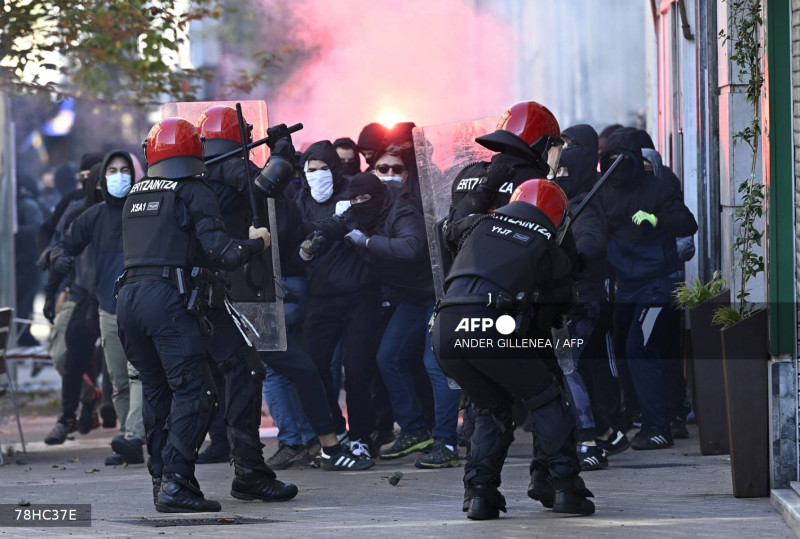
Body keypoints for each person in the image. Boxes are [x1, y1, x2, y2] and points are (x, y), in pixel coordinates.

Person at [116, 117, 296, 513]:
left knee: (158, 389)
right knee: (199, 390)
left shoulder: (136, 193)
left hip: (129, 301)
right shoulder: (193, 190)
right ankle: (181, 482)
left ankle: (165, 479)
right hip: (174, 301)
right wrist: (254, 244)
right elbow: (222, 253)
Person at [195, 107, 371, 472]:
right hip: (242, 288)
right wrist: (281, 150)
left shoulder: (199, 174)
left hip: (216, 288)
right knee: (294, 367)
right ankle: (324, 445)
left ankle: (277, 452)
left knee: (244, 371)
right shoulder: (231, 166)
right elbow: (269, 185)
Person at [433, 179, 595, 519]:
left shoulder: (478, 223)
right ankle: (566, 487)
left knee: (490, 408)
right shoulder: (544, 241)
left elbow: (445, 231)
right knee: (546, 399)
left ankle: (479, 494)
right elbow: (562, 303)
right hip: (491, 324)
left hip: (446, 327)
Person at [341, 173, 461, 468]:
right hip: (410, 297)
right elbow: (335, 224)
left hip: (438, 294)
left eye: (363, 198)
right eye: (353, 199)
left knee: (435, 364)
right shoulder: (361, 215)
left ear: (377, 196)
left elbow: (410, 247)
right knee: (388, 357)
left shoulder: (401, 210)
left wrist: (368, 242)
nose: (358, 204)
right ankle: (414, 431)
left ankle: (445, 441)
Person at [598, 129, 698, 450]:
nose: (615, 168)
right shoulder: (603, 192)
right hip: (625, 286)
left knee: (641, 346)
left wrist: (656, 219)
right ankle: (634, 416)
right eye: (608, 162)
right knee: (624, 353)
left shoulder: (658, 188)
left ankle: (659, 427)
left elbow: (687, 224)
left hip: (658, 283)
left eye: (620, 161)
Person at [49, 150, 146, 465]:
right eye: (112, 170)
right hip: (108, 309)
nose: (118, 176)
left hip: (142, 307)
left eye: (124, 170)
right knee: (119, 380)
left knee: (138, 374)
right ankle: (130, 440)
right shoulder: (92, 216)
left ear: (135, 175)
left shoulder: (146, 210)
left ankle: (133, 435)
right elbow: (64, 243)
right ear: (102, 179)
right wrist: (58, 258)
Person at [294, 141, 382, 462]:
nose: (317, 176)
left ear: (335, 167)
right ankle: (335, 430)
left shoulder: (352, 194)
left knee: (356, 369)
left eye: (323, 168)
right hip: (322, 297)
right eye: (310, 170)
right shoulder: (301, 201)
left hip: (360, 294)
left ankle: (361, 437)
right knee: (311, 366)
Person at [555, 125, 629, 470]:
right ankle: (607, 431)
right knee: (591, 370)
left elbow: (591, 239)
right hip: (579, 299)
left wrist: (564, 259)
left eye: (566, 170)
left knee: (568, 367)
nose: (561, 175)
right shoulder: (568, 201)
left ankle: (588, 440)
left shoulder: (586, 203)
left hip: (584, 300)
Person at [41, 165, 105, 445]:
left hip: (118, 296)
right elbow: (59, 250)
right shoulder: (77, 214)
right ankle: (71, 412)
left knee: (126, 364)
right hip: (80, 294)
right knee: (67, 355)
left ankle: (132, 426)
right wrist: (53, 290)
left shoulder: (130, 212)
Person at [15, 174, 45, 346]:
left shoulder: (26, 205)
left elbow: (36, 228)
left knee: (24, 301)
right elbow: (37, 229)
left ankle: (23, 334)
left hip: (24, 262)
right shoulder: (28, 204)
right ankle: (23, 335)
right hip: (25, 262)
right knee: (24, 301)